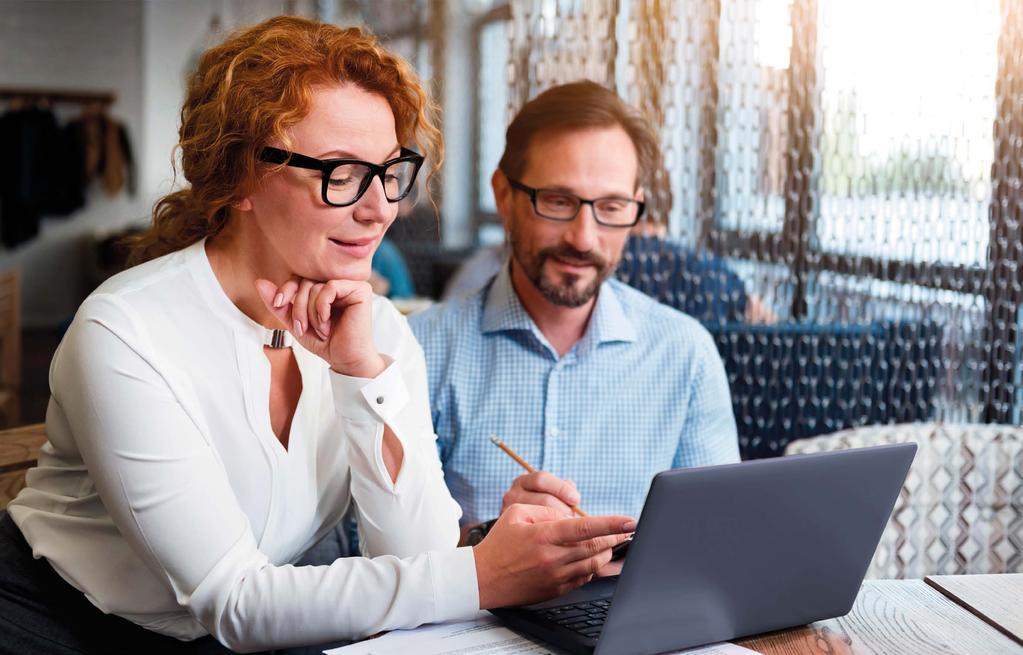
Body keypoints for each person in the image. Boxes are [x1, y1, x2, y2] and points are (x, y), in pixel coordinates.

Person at [0, 19, 633, 655]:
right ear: (241, 175)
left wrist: (363, 375)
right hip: (55, 624)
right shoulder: (124, 332)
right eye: (341, 173)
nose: (379, 207)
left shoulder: (377, 328)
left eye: (388, 172)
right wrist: (484, 573)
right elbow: (237, 601)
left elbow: (420, 558)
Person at [411, 81, 741, 541]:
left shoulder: (686, 354)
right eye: (558, 201)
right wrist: (486, 540)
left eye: (610, 207)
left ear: (636, 208)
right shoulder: (417, 351)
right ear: (504, 197)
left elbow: (719, 537)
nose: (583, 238)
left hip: (637, 611)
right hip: (476, 613)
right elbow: (374, 555)